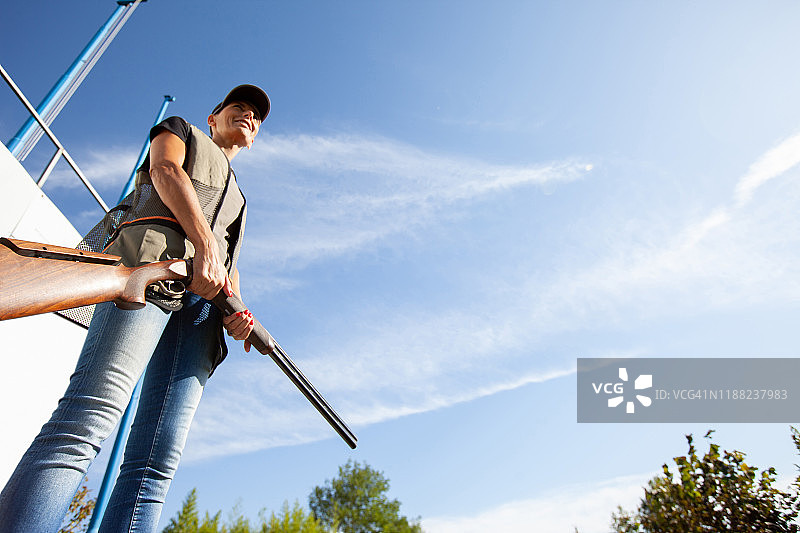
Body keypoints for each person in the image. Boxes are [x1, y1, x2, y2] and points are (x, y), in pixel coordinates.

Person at [0, 84, 270, 532]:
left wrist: (238, 316)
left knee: (155, 467)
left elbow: (228, 266)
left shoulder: (241, 200)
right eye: (238, 107)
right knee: (86, 419)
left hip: (200, 317)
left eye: (256, 117)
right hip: (151, 271)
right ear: (212, 117)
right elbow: (165, 169)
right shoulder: (179, 128)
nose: (249, 116)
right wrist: (202, 242)